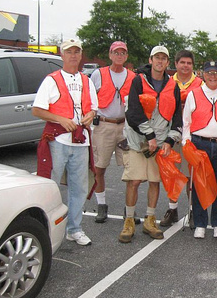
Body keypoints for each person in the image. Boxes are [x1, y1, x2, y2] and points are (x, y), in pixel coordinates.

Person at [32, 38, 98, 246]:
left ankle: (74, 229)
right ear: (62, 55)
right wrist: (60, 119)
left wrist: (90, 115)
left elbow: (93, 108)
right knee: (50, 185)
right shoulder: (51, 80)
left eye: (77, 51)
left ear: (80, 55)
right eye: (69, 51)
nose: (73, 55)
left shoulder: (86, 81)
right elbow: (37, 109)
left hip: (80, 141)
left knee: (79, 188)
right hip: (58, 140)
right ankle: (45, 229)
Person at [118, 45, 182, 243]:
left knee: (155, 182)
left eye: (164, 58)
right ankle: (129, 220)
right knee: (134, 181)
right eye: (157, 58)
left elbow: (176, 117)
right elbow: (133, 112)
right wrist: (150, 136)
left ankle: (150, 219)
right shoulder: (138, 81)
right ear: (151, 59)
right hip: (139, 141)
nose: (160, 61)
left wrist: (170, 141)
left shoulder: (173, 86)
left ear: (167, 63)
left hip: (160, 143)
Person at [182, 60, 217, 239]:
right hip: (200, 143)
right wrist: (186, 142)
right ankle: (200, 223)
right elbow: (186, 121)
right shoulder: (194, 94)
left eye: (216, 72)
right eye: (209, 72)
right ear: (202, 74)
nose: (213, 76)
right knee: (199, 185)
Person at [90, 41, 135, 223]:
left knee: (131, 169)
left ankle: (129, 209)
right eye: (116, 52)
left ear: (126, 57)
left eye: (123, 53)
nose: (119, 56)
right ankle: (101, 205)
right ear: (110, 55)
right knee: (99, 167)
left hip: (124, 126)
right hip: (104, 125)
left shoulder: (133, 76)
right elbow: (90, 100)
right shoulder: (98, 74)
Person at [159, 49, 203, 227]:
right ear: (175, 64)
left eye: (189, 63)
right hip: (171, 134)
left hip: (191, 135)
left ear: (193, 65)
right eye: (182, 62)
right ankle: (172, 209)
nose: (185, 66)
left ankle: (192, 211)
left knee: (191, 175)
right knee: (172, 173)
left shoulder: (200, 83)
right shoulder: (168, 83)